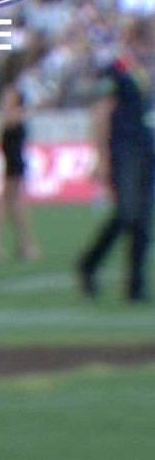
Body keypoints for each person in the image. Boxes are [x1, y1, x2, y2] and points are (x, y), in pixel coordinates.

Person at [77, 20, 155, 303]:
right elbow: (102, 114)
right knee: (126, 213)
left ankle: (135, 286)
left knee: (143, 220)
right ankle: (89, 263)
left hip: (147, 149)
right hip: (124, 149)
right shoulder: (118, 69)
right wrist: (101, 157)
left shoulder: (147, 70)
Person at [0, 49, 42, 263]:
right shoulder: (13, 90)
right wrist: (27, 112)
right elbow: (8, 119)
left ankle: (21, 244)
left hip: (14, 145)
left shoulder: (14, 88)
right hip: (13, 145)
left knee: (12, 199)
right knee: (11, 198)